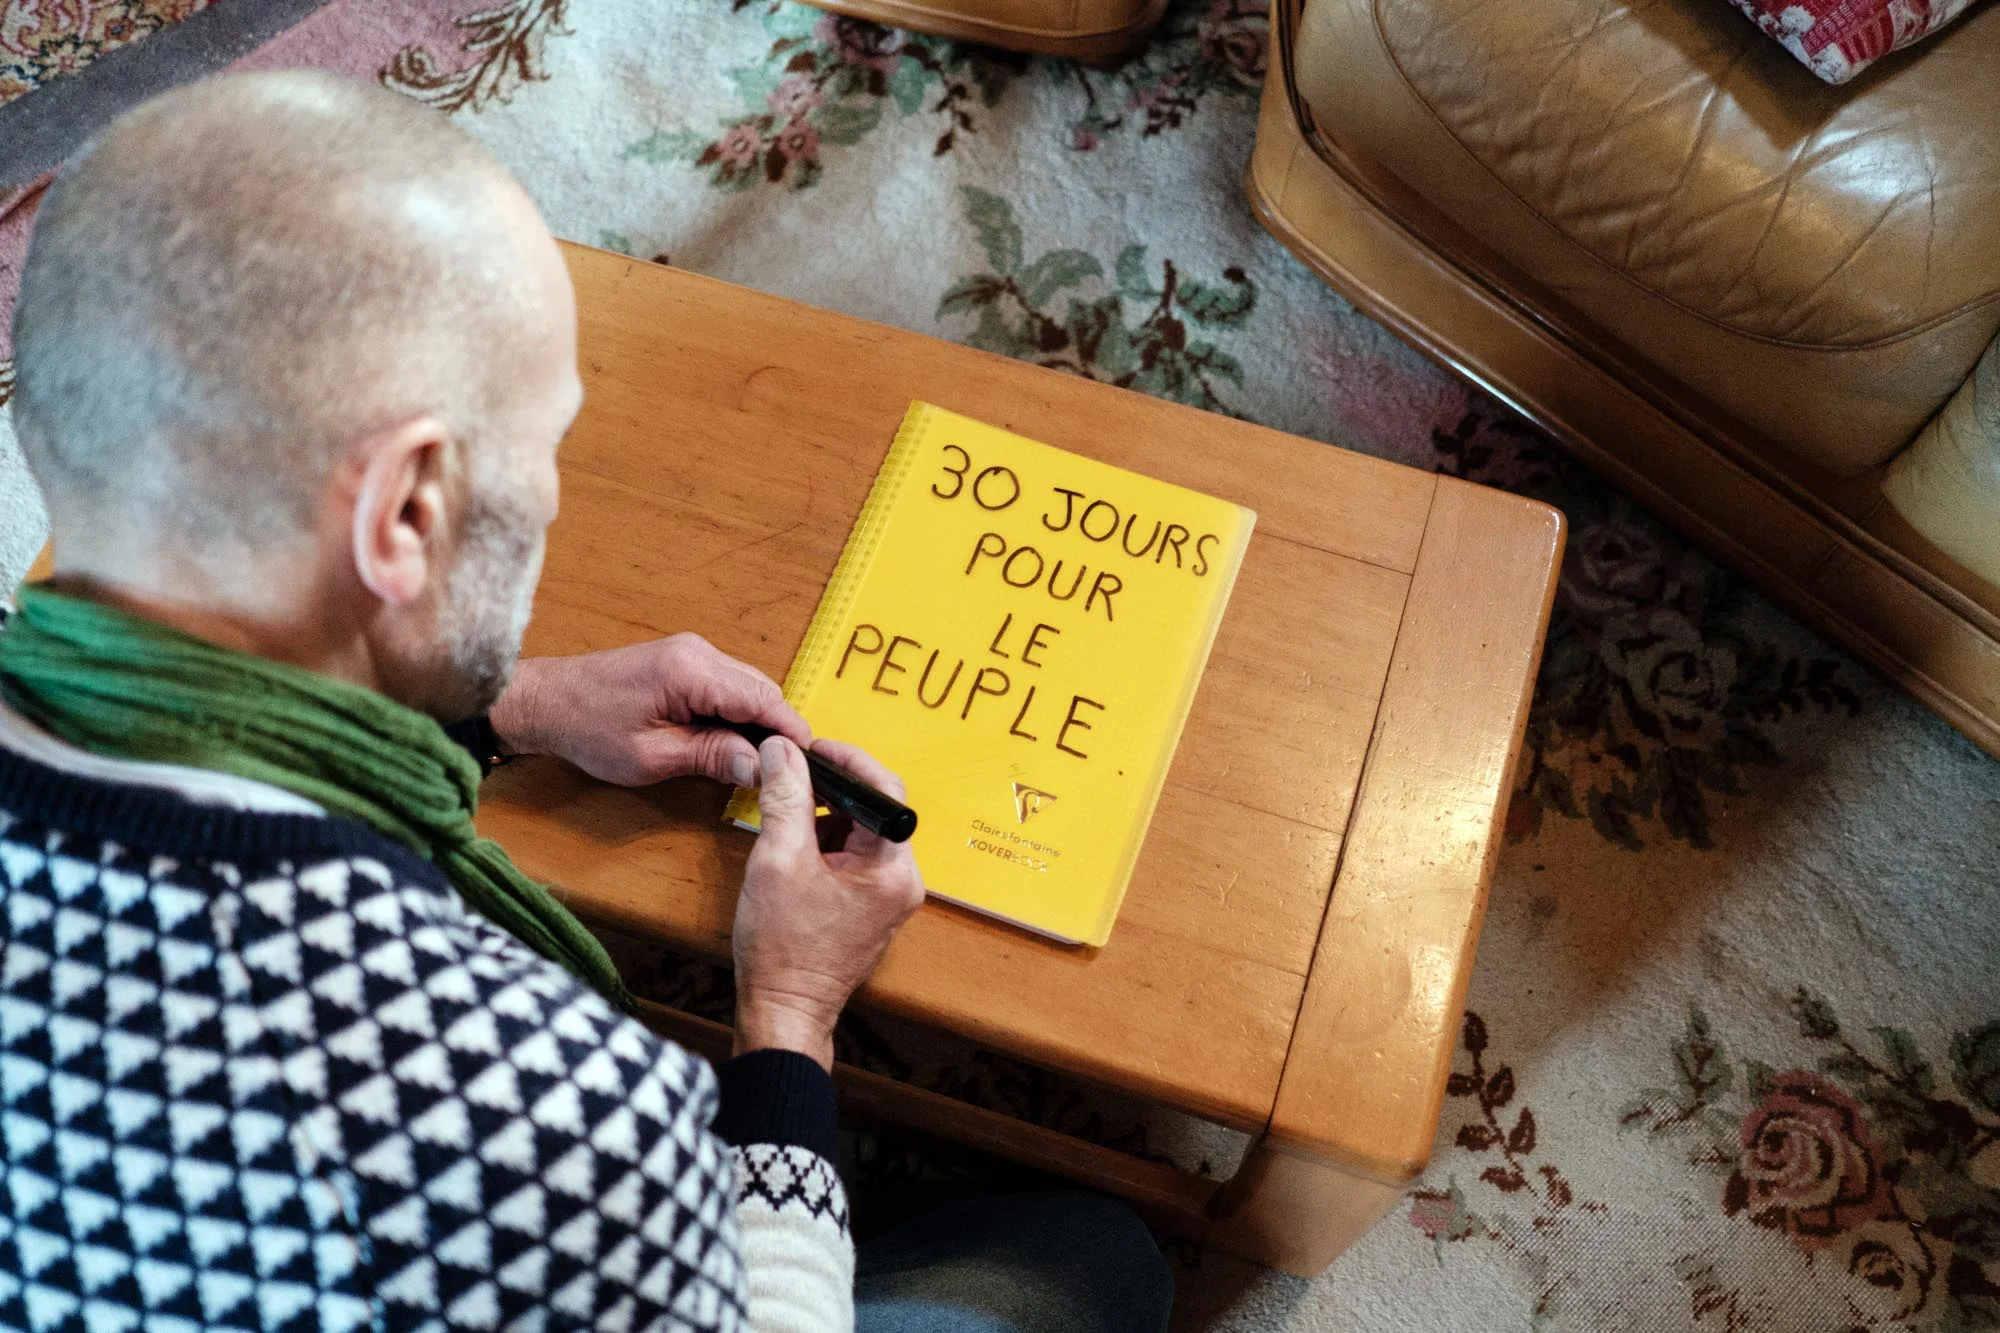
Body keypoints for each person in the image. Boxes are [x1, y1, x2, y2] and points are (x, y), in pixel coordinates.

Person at [0, 70, 1172, 1332]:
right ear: (405, 510)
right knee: (1097, 1261)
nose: (551, 494)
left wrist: (514, 705)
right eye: (546, 440)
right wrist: (785, 1021)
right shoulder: (553, 1118)